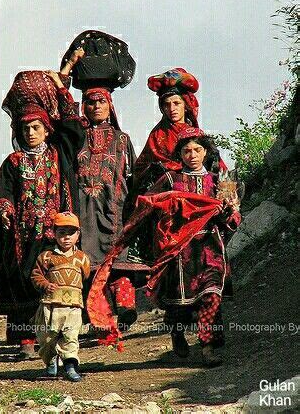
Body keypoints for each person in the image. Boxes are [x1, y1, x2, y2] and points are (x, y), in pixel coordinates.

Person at [87, 131, 240, 366]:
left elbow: (233, 218)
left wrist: (228, 211)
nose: (192, 155)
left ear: (206, 152)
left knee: (211, 295)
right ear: (179, 154)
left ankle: (208, 348)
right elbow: (148, 204)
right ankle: (177, 332)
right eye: (186, 151)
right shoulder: (170, 180)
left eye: (197, 150)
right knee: (180, 299)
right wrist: (170, 210)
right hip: (179, 249)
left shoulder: (219, 181)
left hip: (210, 246)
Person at [0, 66, 84, 360]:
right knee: (21, 282)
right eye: (25, 128)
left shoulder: (59, 153)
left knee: (51, 282)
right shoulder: (13, 161)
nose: (30, 133)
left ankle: (57, 339)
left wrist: (62, 89)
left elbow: (75, 129)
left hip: (54, 234)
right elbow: (2, 192)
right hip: (21, 235)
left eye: (36, 127)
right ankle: (25, 339)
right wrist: (4, 210)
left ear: (46, 129)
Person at [78, 87, 147, 328]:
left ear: (110, 106)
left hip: (115, 207)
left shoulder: (122, 139)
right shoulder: (77, 138)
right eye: (90, 102)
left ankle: (126, 307)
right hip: (84, 211)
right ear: (83, 106)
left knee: (119, 259)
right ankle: (101, 320)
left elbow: (134, 176)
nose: (96, 107)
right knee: (89, 265)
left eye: (101, 102)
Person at [133, 68, 226, 193]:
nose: (172, 108)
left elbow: (217, 168)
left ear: (186, 105)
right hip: (166, 192)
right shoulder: (157, 135)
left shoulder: (197, 135)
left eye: (176, 103)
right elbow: (141, 170)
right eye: (167, 104)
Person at [31, 212, 90, 381]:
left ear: (78, 235)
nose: (66, 237)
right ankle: (51, 362)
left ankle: (71, 366)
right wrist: (45, 284)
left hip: (73, 305)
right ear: (54, 234)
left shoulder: (82, 259)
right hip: (50, 305)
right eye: (61, 233)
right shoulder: (46, 257)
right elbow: (36, 276)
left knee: (71, 336)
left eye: (71, 233)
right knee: (47, 337)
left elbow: (85, 277)